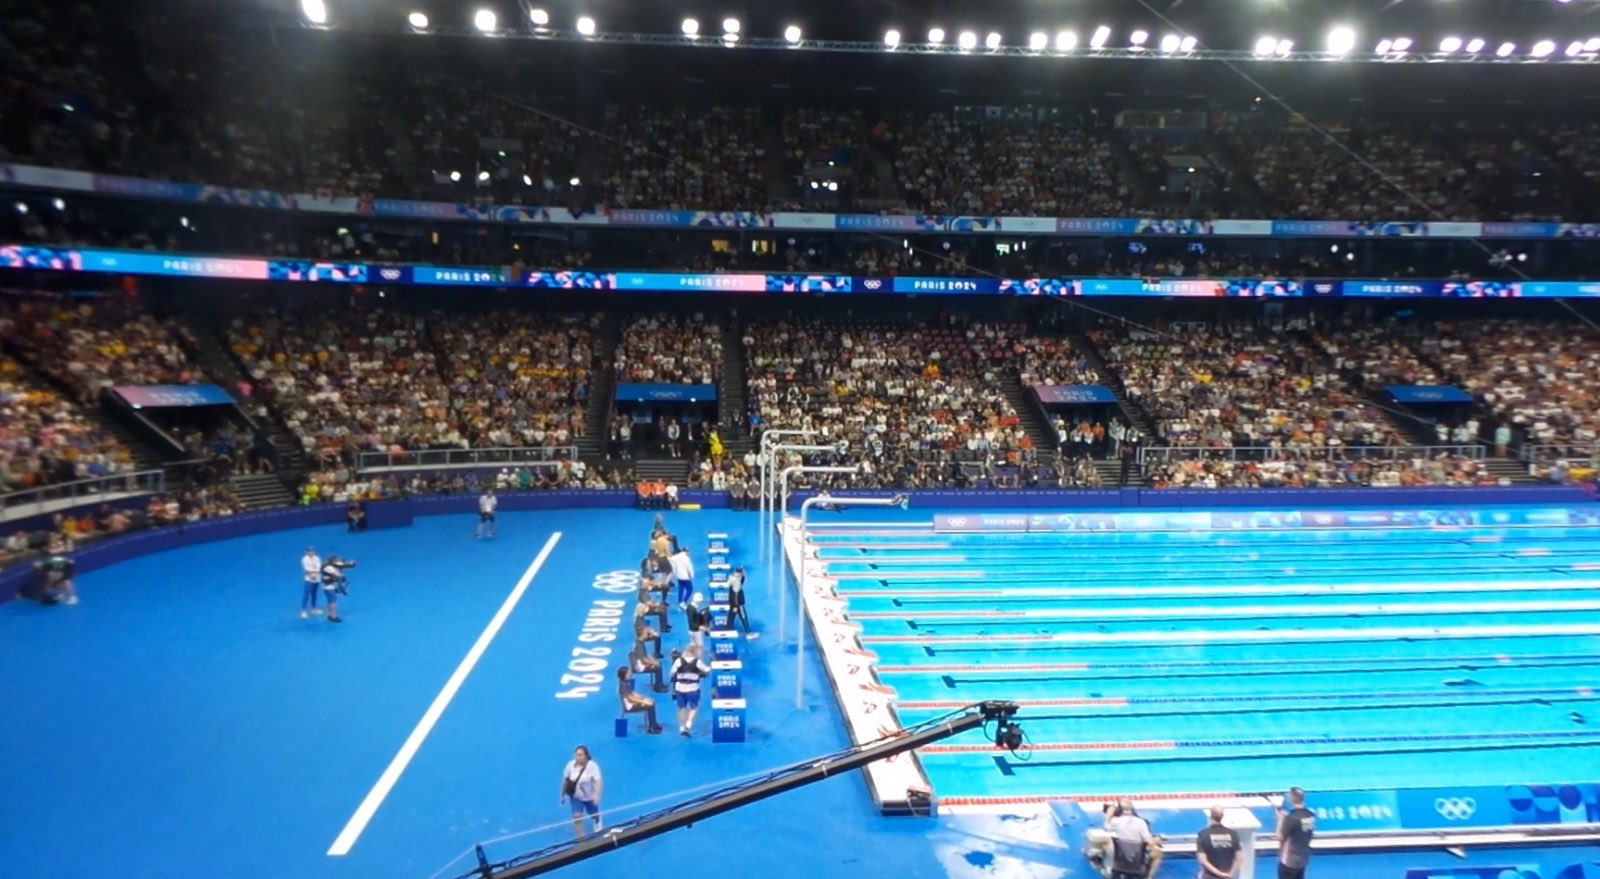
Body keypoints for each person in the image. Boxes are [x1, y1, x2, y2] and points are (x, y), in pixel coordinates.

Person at [559, 745, 603, 838]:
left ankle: (597, 820)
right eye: (576, 755)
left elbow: (598, 781)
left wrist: (596, 795)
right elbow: (566, 780)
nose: (577, 757)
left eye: (580, 755)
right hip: (576, 797)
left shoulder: (592, 766)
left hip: (589, 797)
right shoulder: (570, 765)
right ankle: (581, 840)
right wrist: (562, 794)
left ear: (586, 756)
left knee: (593, 814)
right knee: (577, 817)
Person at [1104, 798, 1155, 879]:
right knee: (1157, 853)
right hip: (1137, 862)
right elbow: (1149, 840)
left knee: (1109, 842)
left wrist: (1108, 815)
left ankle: (1108, 869)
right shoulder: (1141, 822)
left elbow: (1106, 827)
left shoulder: (1116, 821)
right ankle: (1148, 877)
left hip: (1120, 862)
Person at [669, 645, 710, 737]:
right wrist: (708, 669)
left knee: (681, 708)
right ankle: (688, 726)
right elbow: (706, 670)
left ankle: (682, 728)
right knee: (693, 708)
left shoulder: (678, 661)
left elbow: (672, 673)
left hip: (680, 688)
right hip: (693, 688)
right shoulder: (697, 662)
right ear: (694, 652)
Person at [1277, 787, 1316, 879]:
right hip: (1303, 859)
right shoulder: (1311, 815)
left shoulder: (1291, 818)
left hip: (1289, 861)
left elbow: (1279, 836)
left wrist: (1281, 820)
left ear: (1291, 799)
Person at [617, 665, 664, 734]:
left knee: (651, 702)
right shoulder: (623, 685)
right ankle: (651, 728)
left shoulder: (626, 682)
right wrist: (643, 701)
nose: (630, 674)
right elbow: (630, 697)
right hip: (629, 706)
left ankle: (654, 724)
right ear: (624, 675)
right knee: (650, 705)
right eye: (628, 673)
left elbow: (632, 693)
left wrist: (643, 698)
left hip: (632, 701)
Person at [1197, 806, 1241, 879]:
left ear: (1210, 816)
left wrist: (1219, 874)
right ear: (1222, 816)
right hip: (1228, 876)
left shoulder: (1203, 834)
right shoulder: (1233, 834)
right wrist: (1230, 874)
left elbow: (1203, 860)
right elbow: (1239, 858)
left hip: (1210, 876)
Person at [320, 554, 356, 624]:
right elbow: (339, 575)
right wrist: (341, 569)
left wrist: (347, 565)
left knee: (330, 601)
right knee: (333, 602)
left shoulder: (328, 566)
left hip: (329, 586)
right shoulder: (328, 567)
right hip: (328, 587)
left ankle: (330, 615)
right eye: (335, 561)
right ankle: (333, 617)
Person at [727, 566, 756, 640]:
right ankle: (748, 633)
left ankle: (728, 632)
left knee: (731, 617)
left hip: (732, 603)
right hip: (739, 604)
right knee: (744, 617)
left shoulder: (731, 578)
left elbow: (742, 581)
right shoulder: (736, 582)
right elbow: (735, 595)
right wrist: (736, 606)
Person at [669, 545, 695, 610]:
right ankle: (684, 602)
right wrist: (692, 575)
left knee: (681, 589)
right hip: (686, 577)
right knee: (690, 589)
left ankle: (680, 601)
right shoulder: (686, 558)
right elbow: (690, 568)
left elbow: (671, 560)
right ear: (687, 551)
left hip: (679, 576)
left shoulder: (675, 557)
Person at [301, 547, 323, 619]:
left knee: (314, 594)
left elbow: (319, 568)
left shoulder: (317, 558)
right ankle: (303, 611)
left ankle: (314, 609)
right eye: (309, 551)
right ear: (306, 552)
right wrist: (315, 571)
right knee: (306, 594)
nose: (311, 552)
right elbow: (307, 570)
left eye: (312, 551)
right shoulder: (304, 559)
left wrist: (314, 571)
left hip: (317, 579)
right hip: (309, 579)